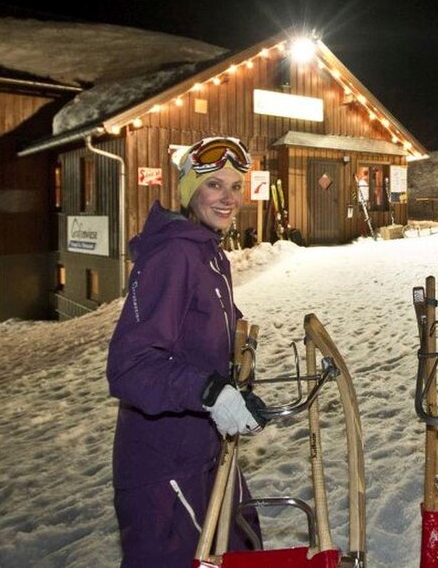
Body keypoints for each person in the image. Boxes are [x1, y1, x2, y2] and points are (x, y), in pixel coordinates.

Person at [107, 136, 265, 567]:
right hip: (165, 467)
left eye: (235, 186)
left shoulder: (210, 254)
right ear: (189, 191)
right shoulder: (173, 255)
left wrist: (236, 381)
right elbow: (129, 366)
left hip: (204, 452)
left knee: (244, 548)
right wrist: (209, 391)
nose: (228, 198)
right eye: (214, 185)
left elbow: (218, 332)